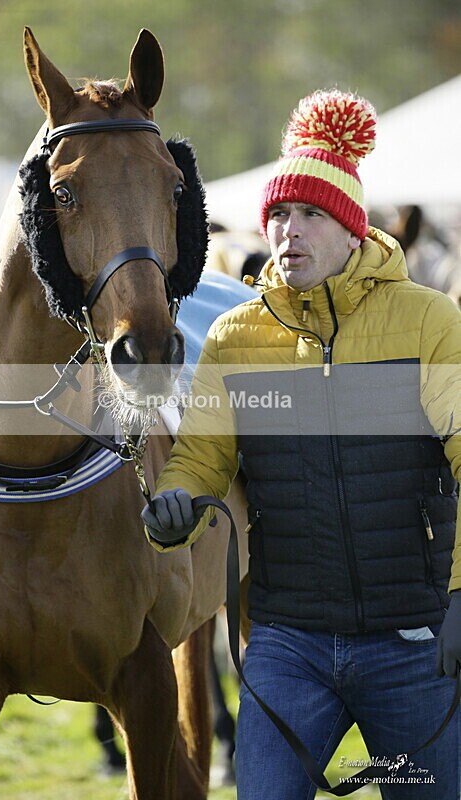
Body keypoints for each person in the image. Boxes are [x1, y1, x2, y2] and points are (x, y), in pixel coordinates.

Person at [141, 89, 461, 800]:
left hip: (413, 640)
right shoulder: (234, 336)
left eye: (311, 214)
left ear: (351, 230)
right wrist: (174, 503)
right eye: (278, 215)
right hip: (288, 644)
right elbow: (201, 457)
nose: (289, 231)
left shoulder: (429, 321)